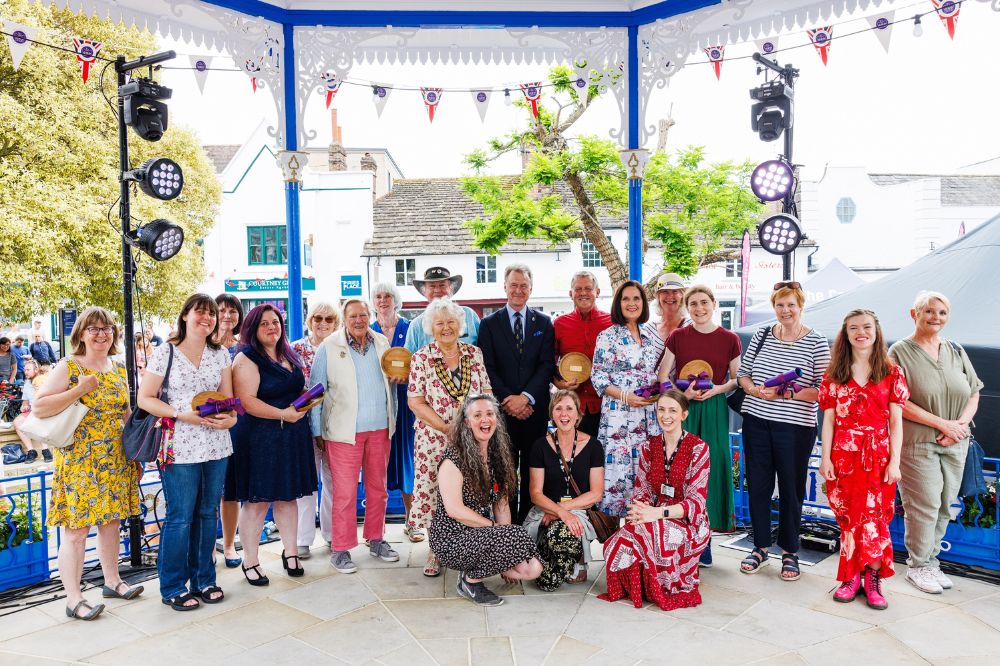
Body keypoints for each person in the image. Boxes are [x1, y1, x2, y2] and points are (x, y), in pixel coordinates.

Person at [33, 307, 143, 620]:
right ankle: (73, 597)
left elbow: (125, 414)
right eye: (93, 328)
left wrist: (133, 455)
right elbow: (39, 407)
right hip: (79, 459)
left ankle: (113, 581)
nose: (100, 333)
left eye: (106, 328)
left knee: (111, 523)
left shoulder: (119, 367)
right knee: (76, 531)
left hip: (114, 457)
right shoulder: (69, 366)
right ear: (81, 334)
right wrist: (79, 389)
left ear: (114, 334)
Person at [138, 294, 238, 611]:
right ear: (185, 316)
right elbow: (145, 398)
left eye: (211, 313)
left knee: (207, 514)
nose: (206, 318)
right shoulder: (165, 352)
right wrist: (181, 415)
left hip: (215, 445)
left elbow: (228, 398)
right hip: (179, 446)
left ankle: (204, 580)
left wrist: (230, 418)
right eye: (200, 312)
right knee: (180, 517)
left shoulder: (220, 354)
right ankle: (172, 586)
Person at [735, 281, 831, 580]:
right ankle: (760, 546)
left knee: (791, 489)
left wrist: (788, 395)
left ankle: (790, 551)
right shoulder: (762, 335)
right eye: (780, 305)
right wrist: (753, 390)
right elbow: (742, 374)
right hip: (756, 421)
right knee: (759, 486)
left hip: (795, 427)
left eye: (791, 304)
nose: (785, 310)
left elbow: (823, 390)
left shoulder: (816, 342)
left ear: (801, 306)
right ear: (774, 307)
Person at [889, 291, 982, 595]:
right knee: (924, 504)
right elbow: (897, 401)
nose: (936, 318)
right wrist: (942, 424)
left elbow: (973, 392)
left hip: (955, 441)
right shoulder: (899, 352)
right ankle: (918, 566)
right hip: (918, 442)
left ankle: (931, 561)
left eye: (942, 312)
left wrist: (959, 426)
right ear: (914, 314)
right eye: (929, 311)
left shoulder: (955, 349)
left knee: (944, 506)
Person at [819, 309, 908, 611]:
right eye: (853, 328)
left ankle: (873, 579)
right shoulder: (833, 374)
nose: (861, 333)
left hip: (879, 457)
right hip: (843, 457)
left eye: (866, 327)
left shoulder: (892, 372)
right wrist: (825, 458)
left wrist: (895, 461)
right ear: (845, 334)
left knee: (875, 520)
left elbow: (896, 423)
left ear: (876, 330)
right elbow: (828, 421)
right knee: (849, 519)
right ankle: (850, 577)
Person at [599, 389, 711, 610]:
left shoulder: (699, 449)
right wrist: (641, 510)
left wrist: (656, 514)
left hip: (688, 522)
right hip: (653, 514)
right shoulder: (649, 446)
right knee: (617, 542)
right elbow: (642, 489)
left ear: (684, 415)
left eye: (672, 410)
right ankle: (639, 586)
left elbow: (696, 503)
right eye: (661, 410)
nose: (666, 416)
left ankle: (660, 587)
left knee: (655, 536)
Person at [229, 304, 317, 586]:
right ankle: (250, 560)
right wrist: (284, 414)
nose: (272, 327)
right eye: (264, 323)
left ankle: (290, 552)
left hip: (291, 434)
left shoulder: (286, 353)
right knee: (257, 501)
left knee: (288, 497)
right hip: (260, 438)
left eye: (276, 322)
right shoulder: (246, 358)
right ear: (253, 328)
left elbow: (292, 387)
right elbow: (247, 401)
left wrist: (305, 396)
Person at [310, 298, 399, 573]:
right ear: (344, 319)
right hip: (342, 432)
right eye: (352, 317)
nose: (359, 321)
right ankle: (341, 548)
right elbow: (316, 391)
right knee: (344, 493)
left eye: (363, 315)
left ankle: (376, 539)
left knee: (378, 490)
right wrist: (316, 431)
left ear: (369, 316)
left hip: (380, 429)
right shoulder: (329, 347)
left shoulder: (382, 342)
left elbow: (393, 384)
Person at [431, 395, 543, 606]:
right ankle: (469, 581)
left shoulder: (497, 457)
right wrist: (498, 531)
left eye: (490, 414)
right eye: (478, 415)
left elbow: (501, 506)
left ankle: (477, 569)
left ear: (497, 419)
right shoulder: (453, 459)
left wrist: (504, 547)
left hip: (482, 534)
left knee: (532, 569)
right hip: (451, 540)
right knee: (516, 533)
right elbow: (455, 510)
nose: (485, 420)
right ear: (466, 422)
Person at [657, 284, 741, 567]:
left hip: (715, 409)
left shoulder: (729, 338)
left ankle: (704, 541)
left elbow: (736, 378)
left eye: (704, 302)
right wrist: (683, 395)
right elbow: (662, 375)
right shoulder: (679, 337)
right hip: (686, 410)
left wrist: (716, 390)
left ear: (714, 304)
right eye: (693, 303)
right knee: (681, 471)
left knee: (713, 469)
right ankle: (680, 540)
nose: (699, 308)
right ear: (687, 307)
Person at [407, 298, 492, 576]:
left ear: (461, 325)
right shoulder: (421, 358)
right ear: (431, 327)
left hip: (472, 438)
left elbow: (487, 394)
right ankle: (436, 551)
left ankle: (470, 547)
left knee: (470, 491)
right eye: (440, 323)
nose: (446, 328)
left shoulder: (474, 354)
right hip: (434, 438)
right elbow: (415, 402)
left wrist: (477, 426)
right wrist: (446, 428)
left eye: (452, 322)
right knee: (434, 491)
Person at [477, 264, 555, 522]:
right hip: (503, 412)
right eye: (514, 285)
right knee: (506, 471)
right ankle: (507, 525)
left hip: (534, 410)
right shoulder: (489, 324)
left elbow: (546, 365)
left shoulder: (543, 323)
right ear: (505, 287)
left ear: (531, 289)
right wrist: (509, 400)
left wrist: (527, 398)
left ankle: (528, 523)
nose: (518, 290)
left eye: (523, 285)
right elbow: (488, 367)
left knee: (533, 471)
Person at [591, 280, 659, 518]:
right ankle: (617, 544)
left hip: (647, 414)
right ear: (618, 303)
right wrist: (625, 396)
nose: (632, 304)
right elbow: (597, 376)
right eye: (626, 299)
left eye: (637, 299)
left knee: (646, 469)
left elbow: (655, 374)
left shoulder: (650, 336)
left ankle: (642, 536)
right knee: (618, 474)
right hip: (619, 413)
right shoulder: (608, 335)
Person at [524, 390, 603, 590]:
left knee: (563, 533)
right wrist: (560, 512)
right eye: (558, 408)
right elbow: (535, 493)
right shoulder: (540, 446)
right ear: (551, 414)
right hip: (545, 513)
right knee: (544, 581)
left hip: (577, 514)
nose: (564, 414)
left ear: (578, 414)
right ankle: (553, 558)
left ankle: (577, 558)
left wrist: (562, 511)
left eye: (569, 408)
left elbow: (595, 493)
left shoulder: (594, 446)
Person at [370, 282, 420, 542]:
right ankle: (376, 529)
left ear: (396, 299)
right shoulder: (369, 331)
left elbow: (420, 363)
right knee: (378, 465)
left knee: (410, 463)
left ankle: (412, 522)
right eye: (378, 296)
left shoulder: (409, 328)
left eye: (387, 295)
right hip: (379, 405)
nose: (382, 300)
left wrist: (409, 375)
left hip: (408, 402)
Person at [292, 301, 340, 559]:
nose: (322, 323)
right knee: (307, 483)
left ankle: (333, 535)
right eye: (318, 318)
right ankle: (302, 539)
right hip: (302, 424)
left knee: (333, 482)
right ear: (310, 320)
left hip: (333, 424)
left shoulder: (340, 348)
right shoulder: (295, 349)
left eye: (329, 319)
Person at [552, 271, 612, 440]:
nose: (583, 293)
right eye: (578, 289)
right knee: (576, 460)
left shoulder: (612, 322)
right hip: (573, 407)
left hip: (607, 406)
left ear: (597, 292)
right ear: (571, 294)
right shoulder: (559, 324)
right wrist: (560, 383)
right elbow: (550, 362)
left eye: (588, 288)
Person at [215, 293, 245, 569]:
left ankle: (228, 544)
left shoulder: (243, 347)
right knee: (210, 489)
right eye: (221, 309)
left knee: (232, 489)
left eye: (232, 310)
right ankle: (207, 548)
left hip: (240, 425)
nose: (227, 315)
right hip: (209, 423)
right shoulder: (203, 345)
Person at [404, 266, 481, 352]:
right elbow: (408, 359)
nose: (437, 290)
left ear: (451, 288)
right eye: (432, 286)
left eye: (442, 285)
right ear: (424, 291)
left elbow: (485, 348)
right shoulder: (416, 325)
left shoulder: (469, 315)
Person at [643, 273, 690, 362]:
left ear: (682, 296)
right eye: (665, 291)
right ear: (658, 297)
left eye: (675, 291)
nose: (670, 296)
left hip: (683, 376)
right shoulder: (648, 330)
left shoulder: (691, 326)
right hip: (654, 376)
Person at [13, 360, 53, 463]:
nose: (25, 372)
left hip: (46, 409)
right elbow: (25, 402)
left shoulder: (45, 380)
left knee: (38, 418)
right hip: (33, 410)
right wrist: (24, 406)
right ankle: (31, 451)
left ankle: (45, 450)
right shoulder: (27, 383)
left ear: (36, 370)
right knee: (17, 422)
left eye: (28, 370)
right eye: (25, 369)